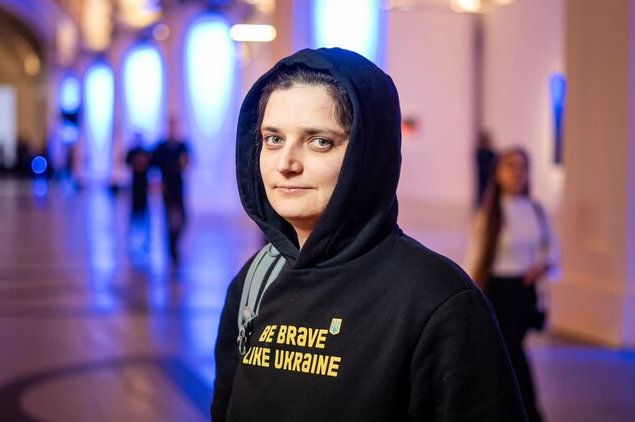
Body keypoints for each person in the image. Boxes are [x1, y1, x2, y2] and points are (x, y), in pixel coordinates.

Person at [212, 48, 526, 421]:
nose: (286, 164)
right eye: (273, 139)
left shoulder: (438, 300)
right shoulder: (255, 282)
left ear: (367, 155)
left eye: (319, 141)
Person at [464, 147, 558, 422]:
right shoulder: (488, 214)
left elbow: (553, 249)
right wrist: (468, 293)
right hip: (497, 291)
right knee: (511, 353)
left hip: (523, 292)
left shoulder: (536, 210)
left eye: (522, 167)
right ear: (498, 173)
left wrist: (541, 266)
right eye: (511, 166)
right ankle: (527, 412)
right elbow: (475, 257)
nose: (518, 173)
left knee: (510, 353)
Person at [152, 116, 190, 265]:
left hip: (178, 187)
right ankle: (172, 251)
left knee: (183, 219)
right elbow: (153, 165)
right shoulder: (161, 147)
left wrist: (184, 163)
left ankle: (174, 245)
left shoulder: (182, 145)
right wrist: (157, 183)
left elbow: (188, 162)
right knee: (169, 220)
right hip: (167, 189)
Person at [125, 133, 151, 216]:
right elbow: (127, 162)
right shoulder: (132, 152)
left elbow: (150, 163)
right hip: (135, 180)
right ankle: (134, 215)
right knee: (134, 199)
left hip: (143, 179)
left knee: (144, 199)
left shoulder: (145, 152)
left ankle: (143, 215)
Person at [476, 129, 496, 207]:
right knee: (482, 190)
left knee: (487, 190)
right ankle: (480, 205)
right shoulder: (480, 152)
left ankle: (485, 205)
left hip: (488, 175)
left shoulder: (489, 152)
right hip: (483, 175)